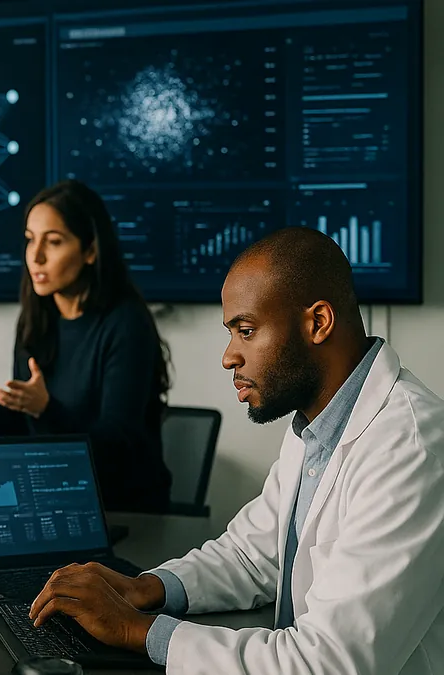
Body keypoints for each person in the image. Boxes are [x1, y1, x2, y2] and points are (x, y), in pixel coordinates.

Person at [27, 227, 444, 674]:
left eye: (246, 331)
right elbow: (251, 554)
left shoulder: (410, 448)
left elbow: (328, 663)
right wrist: (146, 588)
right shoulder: (317, 426)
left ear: (318, 323)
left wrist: (139, 631)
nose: (229, 356)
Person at [0, 179, 172, 512]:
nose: (36, 256)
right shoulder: (36, 319)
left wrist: (46, 410)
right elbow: (13, 442)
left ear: (90, 251)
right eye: (30, 240)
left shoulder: (126, 323)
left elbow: (115, 449)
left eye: (53, 242)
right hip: (52, 501)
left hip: (122, 506)